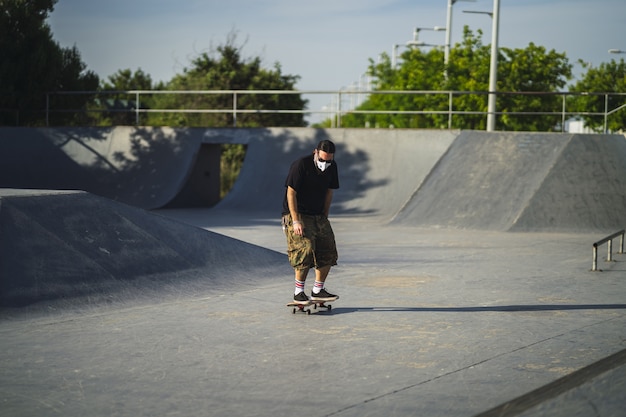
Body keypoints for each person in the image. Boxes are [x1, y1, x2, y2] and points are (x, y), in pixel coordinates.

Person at [282, 139, 339, 304]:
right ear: (315, 152)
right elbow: (291, 193)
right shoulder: (301, 165)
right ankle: (298, 292)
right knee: (304, 248)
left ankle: (318, 290)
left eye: (328, 160)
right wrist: (295, 221)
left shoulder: (332, 167)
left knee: (328, 250)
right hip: (296, 213)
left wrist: (325, 216)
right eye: (322, 160)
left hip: (317, 214)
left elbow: (329, 192)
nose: (325, 163)